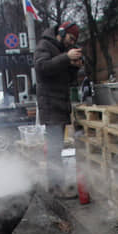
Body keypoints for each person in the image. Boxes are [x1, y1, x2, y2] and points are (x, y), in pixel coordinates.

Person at [34, 21, 82, 197]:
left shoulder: (60, 49)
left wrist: (73, 68)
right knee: (54, 148)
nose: (71, 42)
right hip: (50, 103)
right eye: (70, 38)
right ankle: (56, 188)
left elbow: (65, 79)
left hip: (59, 103)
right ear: (61, 32)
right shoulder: (44, 45)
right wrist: (66, 57)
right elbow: (42, 67)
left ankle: (57, 185)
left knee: (57, 146)